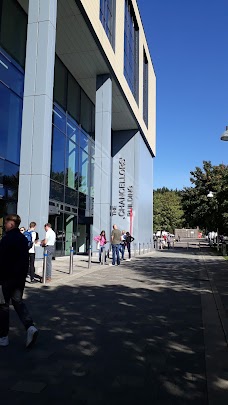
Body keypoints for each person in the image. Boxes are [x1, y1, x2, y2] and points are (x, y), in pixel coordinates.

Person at [0, 214, 38, 348]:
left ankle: (3, 336)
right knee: (18, 302)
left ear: (11, 224)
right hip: (19, 279)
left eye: (6, 222)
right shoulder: (23, 239)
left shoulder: (6, 239)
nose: (5, 225)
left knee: (3, 306)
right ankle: (30, 327)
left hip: (5, 279)